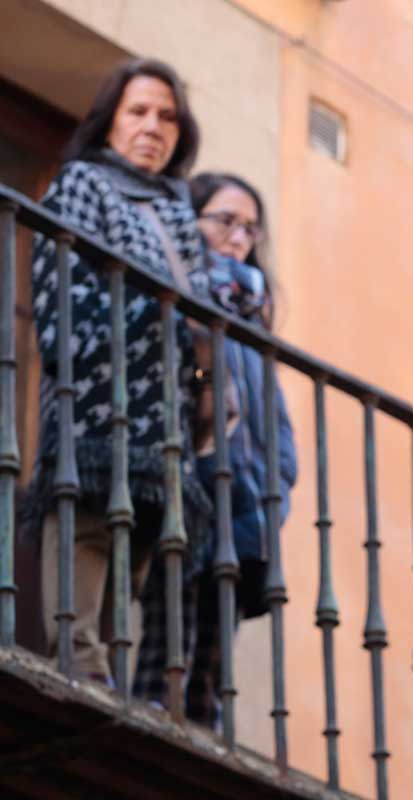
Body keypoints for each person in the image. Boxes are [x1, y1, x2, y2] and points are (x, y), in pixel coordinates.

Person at [24, 58, 213, 686]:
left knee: (131, 559)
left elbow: (203, 315)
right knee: (89, 531)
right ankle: (81, 668)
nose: (153, 127)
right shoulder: (83, 182)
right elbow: (60, 297)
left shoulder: (182, 216)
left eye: (167, 116)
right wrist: (162, 320)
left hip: (163, 423)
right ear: (110, 121)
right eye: (138, 111)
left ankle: (110, 677)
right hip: (98, 406)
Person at [182, 171, 297, 727]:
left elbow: (278, 425)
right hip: (193, 488)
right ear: (193, 218)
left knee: (212, 655)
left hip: (246, 505)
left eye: (249, 228)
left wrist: (279, 491)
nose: (238, 237)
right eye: (225, 220)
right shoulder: (183, 289)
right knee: (170, 638)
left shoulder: (253, 320)